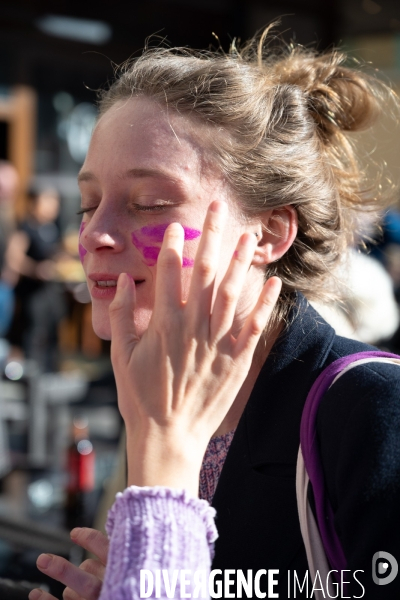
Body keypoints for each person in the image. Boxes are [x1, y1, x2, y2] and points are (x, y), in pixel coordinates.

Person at [29, 31, 400, 600]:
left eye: (149, 203)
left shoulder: (376, 409)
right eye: (88, 203)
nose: (95, 234)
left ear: (270, 231)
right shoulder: (155, 390)